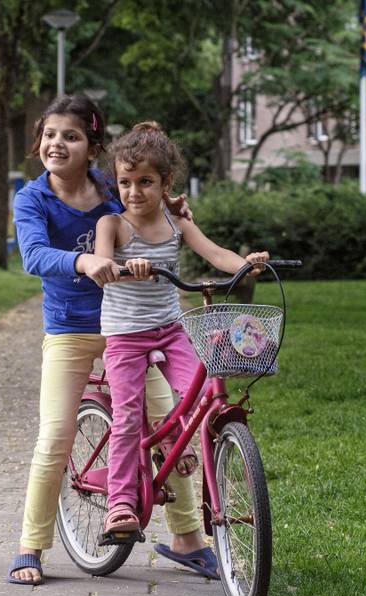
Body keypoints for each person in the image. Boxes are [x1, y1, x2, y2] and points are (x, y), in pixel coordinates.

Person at [7, 96, 216, 585]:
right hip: (71, 328)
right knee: (56, 433)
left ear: (93, 147)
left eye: (72, 136)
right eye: (50, 135)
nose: (57, 144)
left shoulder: (111, 187)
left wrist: (173, 203)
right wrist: (84, 262)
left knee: (168, 425)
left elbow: (149, 199)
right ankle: (30, 545)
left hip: (133, 325)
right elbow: (34, 254)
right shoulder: (32, 198)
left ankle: (188, 539)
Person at [94, 121, 268, 539]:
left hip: (170, 329)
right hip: (125, 335)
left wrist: (245, 263)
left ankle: (177, 444)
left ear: (166, 182)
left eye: (146, 182)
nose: (134, 192)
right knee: (129, 415)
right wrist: (121, 267)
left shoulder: (177, 224)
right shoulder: (112, 225)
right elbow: (102, 263)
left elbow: (214, 253)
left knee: (198, 391)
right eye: (125, 182)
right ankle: (120, 502)